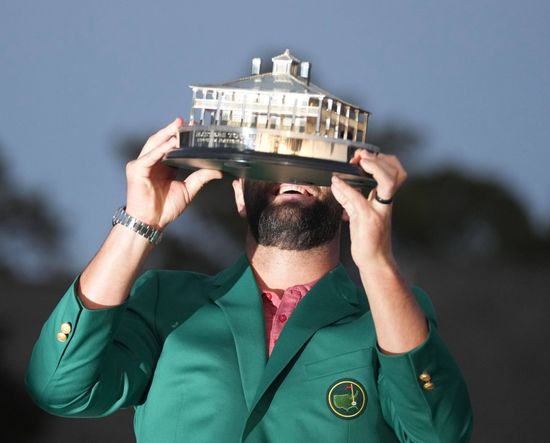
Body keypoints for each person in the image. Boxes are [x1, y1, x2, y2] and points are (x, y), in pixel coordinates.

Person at [26, 117, 473, 442]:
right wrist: (139, 221)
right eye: (274, 159)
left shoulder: (388, 320)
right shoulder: (169, 301)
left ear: (345, 196)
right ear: (239, 193)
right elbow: (60, 387)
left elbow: (439, 434)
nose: (293, 171)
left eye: (312, 159)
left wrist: (376, 262)